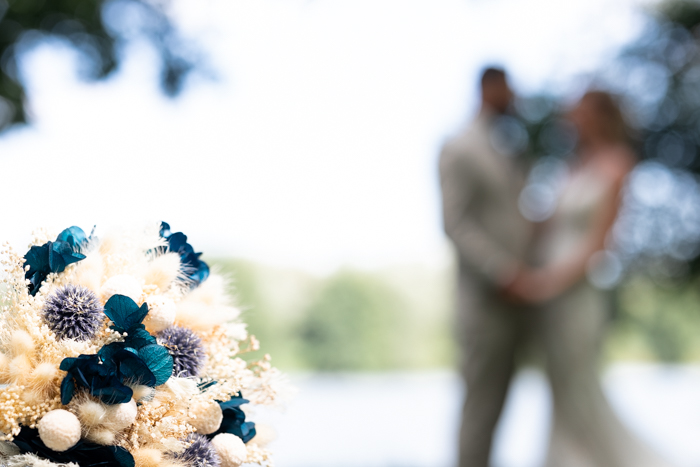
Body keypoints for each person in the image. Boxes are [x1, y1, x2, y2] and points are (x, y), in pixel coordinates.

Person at [509, 91, 673, 467]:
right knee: (559, 387)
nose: (571, 120)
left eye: (578, 113)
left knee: (581, 387)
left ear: (599, 116)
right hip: (548, 296)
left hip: (577, 293)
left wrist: (545, 283)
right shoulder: (572, 168)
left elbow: (599, 244)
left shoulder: (617, 165)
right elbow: (543, 227)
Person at [439, 67, 533, 467]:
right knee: (479, 405)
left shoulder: (505, 149)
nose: (513, 98)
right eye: (507, 90)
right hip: (483, 301)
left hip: (517, 302)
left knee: (501, 404)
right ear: (488, 88)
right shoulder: (459, 147)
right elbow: (455, 223)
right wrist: (501, 271)